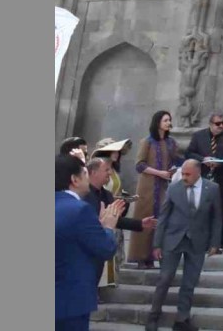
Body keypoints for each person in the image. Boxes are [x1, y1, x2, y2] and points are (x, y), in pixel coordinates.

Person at [144, 160, 222, 331]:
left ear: (198, 172)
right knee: (165, 278)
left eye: (188, 174)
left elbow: (216, 218)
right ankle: (153, 316)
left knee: (190, 282)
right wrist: (157, 244)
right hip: (173, 239)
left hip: (197, 240)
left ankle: (182, 319)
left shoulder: (212, 189)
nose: (184, 177)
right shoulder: (174, 188)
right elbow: (163, 217)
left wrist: (215, 243)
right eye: (183, 174)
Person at [56, 154, 122, 331]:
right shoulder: (80, 210)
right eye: (85, 174)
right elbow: (106, 248)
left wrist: (97, 227)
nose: (88, 178)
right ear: (75, 179)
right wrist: (108, 227)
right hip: (70, 301)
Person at [84, 157, 154, 285]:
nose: (110, 173)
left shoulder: (107, 195)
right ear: (93, 172)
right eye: (106, 170)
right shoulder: (83, 193)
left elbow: (116, 219)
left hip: (101, 247)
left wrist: (140, 223)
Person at [130, 110, 184, 268]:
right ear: (158, 122)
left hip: (164, 186)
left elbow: (177, 160)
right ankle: (140, 256)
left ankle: (154, 255)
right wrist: (159, 172)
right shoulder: (147, 142)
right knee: (145, 218)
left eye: (169, 120)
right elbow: (139, 165)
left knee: (161, 220)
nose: (168, 123)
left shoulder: (171, 143)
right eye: (165, 120)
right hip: (147, 186)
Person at [184, 111, 223, 250]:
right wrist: (203, 159)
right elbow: (189, 153)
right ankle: (199, 240)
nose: (221, 126)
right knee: (201, 209)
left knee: (219, 210)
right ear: (210, 123)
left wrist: (221, 162)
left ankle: (216, 243)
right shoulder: (198, 136)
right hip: (202, 176)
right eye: (217, 123)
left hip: (222, 178)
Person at [90, 137, 135, 284]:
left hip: (114, 211)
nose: (117, 153)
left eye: (119, 150)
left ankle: (105, 283)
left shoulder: (114, 170)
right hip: (103, 212)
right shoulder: (98, 167)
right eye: (114, 150)